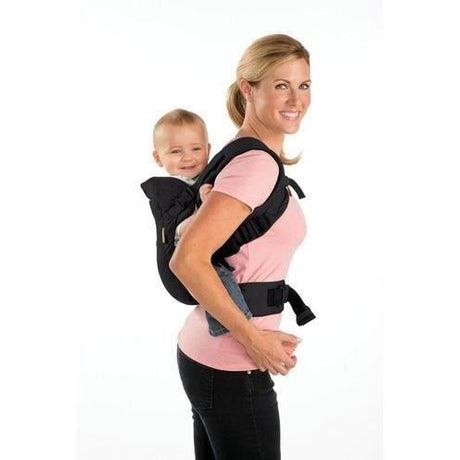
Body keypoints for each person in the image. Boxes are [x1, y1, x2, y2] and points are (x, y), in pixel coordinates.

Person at [170, 33, 312, 459]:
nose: (296, 99)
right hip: (232, 364)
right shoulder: (254, 165)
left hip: (211, 356)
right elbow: (187, 260)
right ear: (248, 89)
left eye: (304, 85)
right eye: (281, 85)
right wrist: (255, 340)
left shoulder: (240, 154)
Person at [152, 108, 253, 337]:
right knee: (218, 278)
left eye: (196, 149)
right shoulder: (169, 193)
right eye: (176, 151)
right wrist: (207, 207)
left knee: (224, 274)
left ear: (208, 150)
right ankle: (231, 328)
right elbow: (181, 230)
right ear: (158, 158)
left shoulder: (207, 179)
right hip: (178, 265)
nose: (187, 157)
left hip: (203, 254)